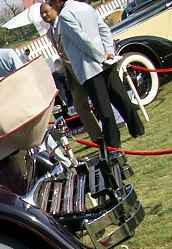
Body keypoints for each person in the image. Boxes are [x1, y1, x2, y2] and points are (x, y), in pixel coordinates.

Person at [49, 0, 144, 149]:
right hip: (105, 61)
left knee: (103, 108)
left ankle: (113, 143)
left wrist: (101, 56)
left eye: (51, 3)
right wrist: (108, 52)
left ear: (58, 2)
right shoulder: (85, 7)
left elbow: (81, 40)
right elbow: (104, 30)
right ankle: (137, 128)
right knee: (120, 97)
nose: (51, 7)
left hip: (89, 67)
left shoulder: (66, 15)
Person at [40, 1, 103, 141]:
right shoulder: (50, 33)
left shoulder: (65, 21)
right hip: (71, 74)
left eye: (46, 11)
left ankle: (110, 130)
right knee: (80, 106)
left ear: (55, 9)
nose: (44, 15)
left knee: (99, 101)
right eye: (42, 14)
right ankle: (97, 137)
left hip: (84, 67)